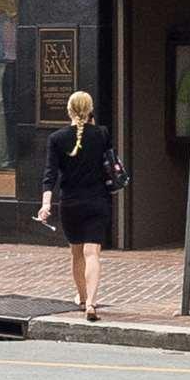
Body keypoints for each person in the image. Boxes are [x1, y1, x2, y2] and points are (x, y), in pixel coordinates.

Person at [35, 88, 119, 321]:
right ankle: (92, 302)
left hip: (71, 202)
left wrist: (46, 204)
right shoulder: (101, 134)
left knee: (76, 254)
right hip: (98, 200)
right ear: (90, 111)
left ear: (69, 111)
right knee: (92, 253)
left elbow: (50, 174)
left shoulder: (56, 139)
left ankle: (81, 298)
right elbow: (108, 161)